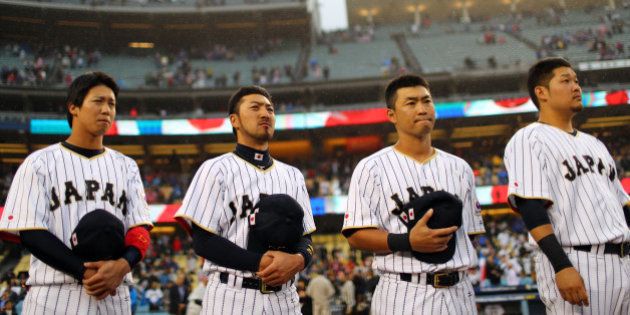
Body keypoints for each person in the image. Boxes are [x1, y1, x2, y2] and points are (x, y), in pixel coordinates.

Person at [0, 72, 153, 314]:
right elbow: (30, 232)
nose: (106, 109)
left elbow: (140, 228)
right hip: (55, 293)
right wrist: (83, 271)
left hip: (113, 293)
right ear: (74, 107)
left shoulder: (126, 165)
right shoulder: (39, 162)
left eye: (111, 103)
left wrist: (124, 265)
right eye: (98, 101)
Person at [342, 74, 485, 314]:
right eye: (411, 103)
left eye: (427, 101)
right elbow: (356, 235)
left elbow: (470, 234)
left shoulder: (460, 168)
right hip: (404, 290)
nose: (422, 109)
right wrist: (407, 241)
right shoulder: (372, 168)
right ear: (392, 115)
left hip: (459, 291)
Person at [504, 57, 630, 314]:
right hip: (577, 261)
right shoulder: (529, 138)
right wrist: (561, 266)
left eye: (576, 81)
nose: (576, 87)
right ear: (542, 93)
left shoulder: (595, 144)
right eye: (566, 81)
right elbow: (531, 207)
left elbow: (622, 206)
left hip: (623, 259)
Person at [175, 86, 316, 314]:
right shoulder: (215, 169)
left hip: (284, 299)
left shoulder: (293, 175)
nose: (265, 113)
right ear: (235, 120)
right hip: (231, 295)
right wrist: (259, 262)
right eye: (255, 107)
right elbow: (202, 241)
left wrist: (300, 260)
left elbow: (306, 236)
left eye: (270, 109)